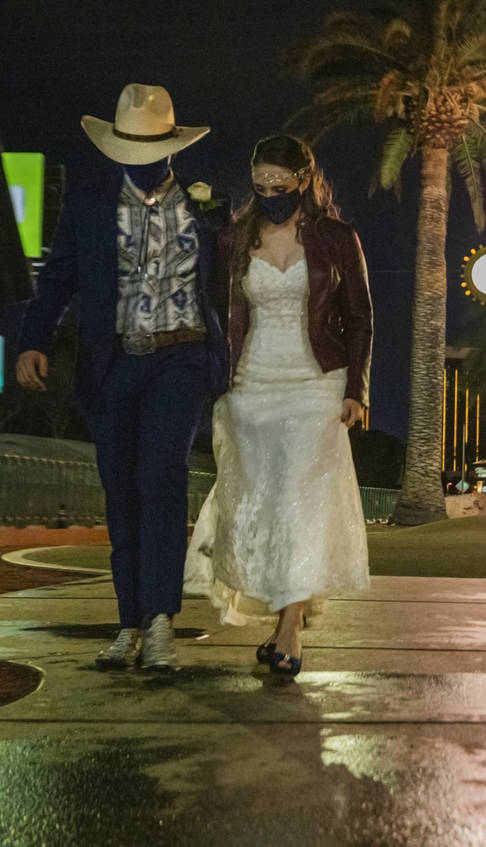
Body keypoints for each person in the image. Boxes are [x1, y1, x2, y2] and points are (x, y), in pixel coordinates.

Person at [16, 84, 229, 672]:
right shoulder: (87, 203)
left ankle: (160, 621)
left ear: (172, 146)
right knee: (121, 492)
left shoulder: (207, 204)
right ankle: (129, 621)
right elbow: (58, 279)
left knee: (160, 480)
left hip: (180, 358)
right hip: (110, 366)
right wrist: (33, 339)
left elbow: (236, 284)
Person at [184, 135, 372, 678]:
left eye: (280, 184)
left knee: (301, 501)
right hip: (251, 386)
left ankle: (291, 627)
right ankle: (280, 617)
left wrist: (356, 389)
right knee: (265, 506)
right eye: (260, 184)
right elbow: (215, 310)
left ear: (305, 181)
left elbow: (360, 317)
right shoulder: (234, 238)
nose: (269, 193)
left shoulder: (338, 239)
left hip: (318, 383)